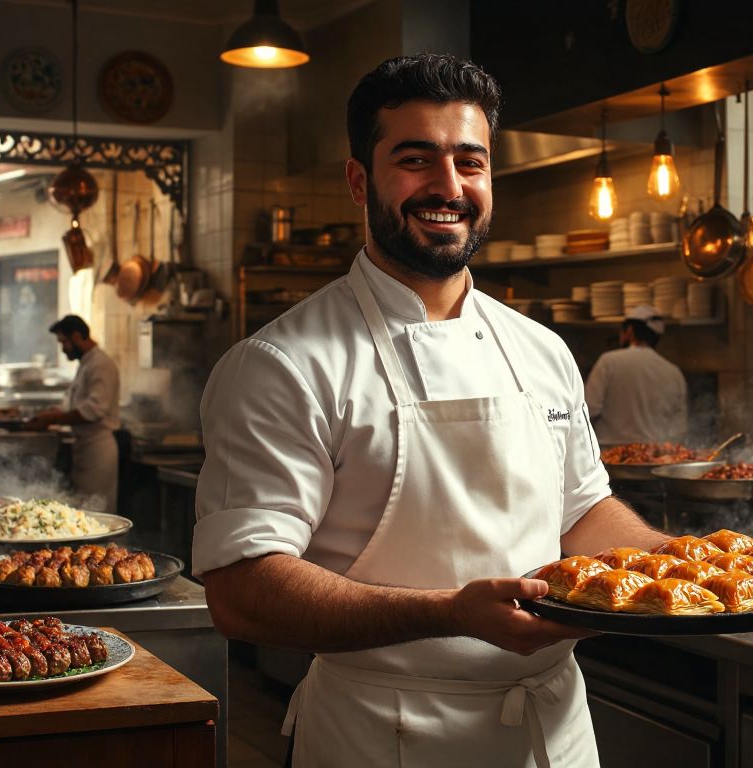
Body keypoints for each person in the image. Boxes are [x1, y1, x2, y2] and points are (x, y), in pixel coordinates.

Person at [193, 54, 667, 767]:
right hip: (384, 734)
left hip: (555, 731)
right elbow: (242, 590)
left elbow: (582, 512)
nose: (448, 187)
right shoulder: (282, 365)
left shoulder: (541, 349)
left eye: (470, 163)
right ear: (360, 180)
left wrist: (679, 568)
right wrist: (447, 613)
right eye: (416, 160)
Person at [27, 315, 121, 513]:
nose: (63, 349)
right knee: (82, 512)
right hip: (84, 449)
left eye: (64, 342)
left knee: (98, 515)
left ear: (77, 336)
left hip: (98, 451)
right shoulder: (87, 364)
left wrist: (53, 418)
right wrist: (55, 413)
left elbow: (94, 410)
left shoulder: (101, 364)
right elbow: (79, 405)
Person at [584, 305, 688, 445]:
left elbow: (587, 409)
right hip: (654, 457)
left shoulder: (609, 361)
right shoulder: (674, 372)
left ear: (630, 331)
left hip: (610, 456)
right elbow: (679, 429)